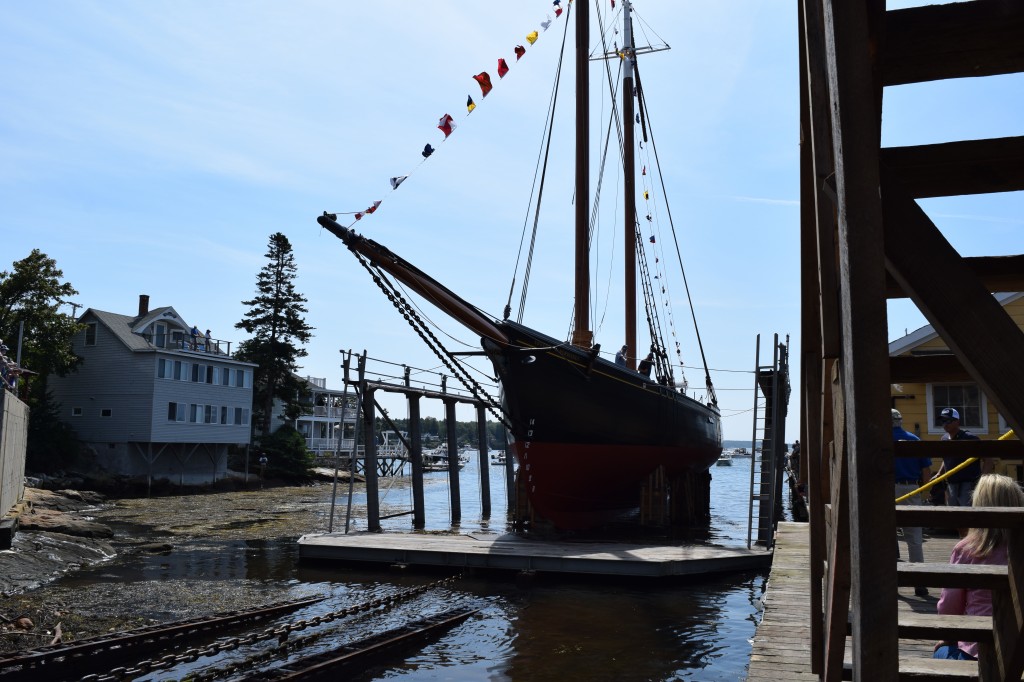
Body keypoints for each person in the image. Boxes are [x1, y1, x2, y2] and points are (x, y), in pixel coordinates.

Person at [933, 473, 1024, 661]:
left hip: (976, 649)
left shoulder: (965, 550)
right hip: (1019, 650)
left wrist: (946, 639)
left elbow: (949, 607)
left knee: (941, 651)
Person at [892, 408, 933, 596]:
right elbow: (926, 470)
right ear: (900, 420)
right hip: (911, 488)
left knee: (884, 536)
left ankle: (890, 581)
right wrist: (924, 491)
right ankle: (920, 582)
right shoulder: (914, 440)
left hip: (885, 489)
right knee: (914, 537)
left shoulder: (879, 440)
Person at [932, 407, 993, 512]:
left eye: (948, 421)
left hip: (968, 485)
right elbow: (946, 459)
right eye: (942, 421)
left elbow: (988, 460)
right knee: (954, 517)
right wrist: (939, 474)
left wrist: (982, 480)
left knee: (969, 516)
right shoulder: (944, 439)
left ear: (957, 422)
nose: (945, 424)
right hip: (951, 485)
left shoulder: (970, 438)